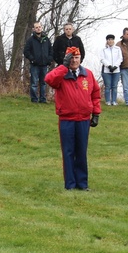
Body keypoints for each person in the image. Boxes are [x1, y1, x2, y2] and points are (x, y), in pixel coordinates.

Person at [45, 47, 101, 190]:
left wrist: (96, 113)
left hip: (83, 118)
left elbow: (95, 94)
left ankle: (82, 183)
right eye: (71, 58)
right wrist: (63, 67)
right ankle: (70, 184)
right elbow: (49, 80)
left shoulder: (87, 74)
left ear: (80, 58)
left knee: (81, 151)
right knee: (68, 151)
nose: (74, 60)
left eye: (77, 58)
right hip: (67, 119)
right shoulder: (61, 75)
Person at [24, 22, 53, 103]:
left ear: (42, 28)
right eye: (36, 27)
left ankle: (43, 99)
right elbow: (26, 51)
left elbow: (51, 50)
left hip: (44, 65)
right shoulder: (31, 40)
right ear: (33, 29)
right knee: (34, 83)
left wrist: (49, 59)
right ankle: (34, 99)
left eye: (39, 27)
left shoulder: (46, 39)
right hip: (35, 65)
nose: (38, 28)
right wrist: (32, 59)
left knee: (43, 83)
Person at [103, 34, 125, 107]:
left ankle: (114, 101)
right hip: (107, 70)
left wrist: (115, 66)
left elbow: (120, 58)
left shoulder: (118, 49)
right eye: (108, 39)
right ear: (107, 41)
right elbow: (102, 59)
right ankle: (108, 101)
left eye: (111, 39)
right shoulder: (104, 50)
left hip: (116, 70)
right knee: (108, 86)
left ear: (113, 40)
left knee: (114, 86)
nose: (110, 41)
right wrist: (109, 66)